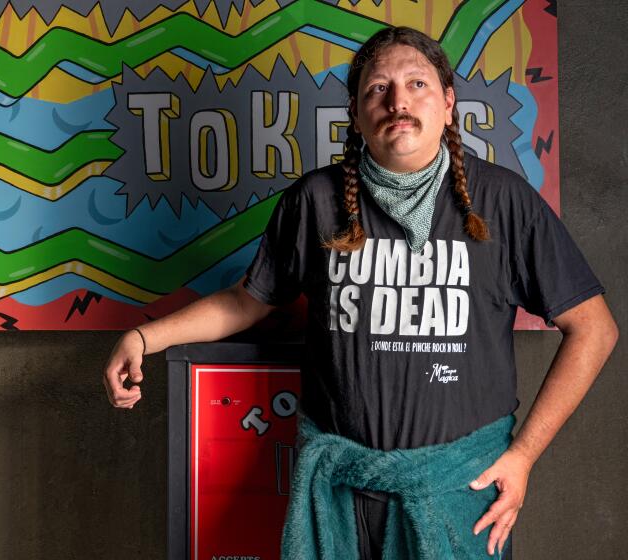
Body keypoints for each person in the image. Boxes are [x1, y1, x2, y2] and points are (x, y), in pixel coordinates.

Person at [103, 26, 618, 560]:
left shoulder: (504, 202)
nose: (398, 101)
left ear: (447, 102)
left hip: (460, 491)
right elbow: (246, 300)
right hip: (341, 489)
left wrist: (524, 456)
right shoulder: (316, 201)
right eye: (379, 88)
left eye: (417, 84)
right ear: (355, 111)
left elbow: (595, 329)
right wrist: (144, 337)